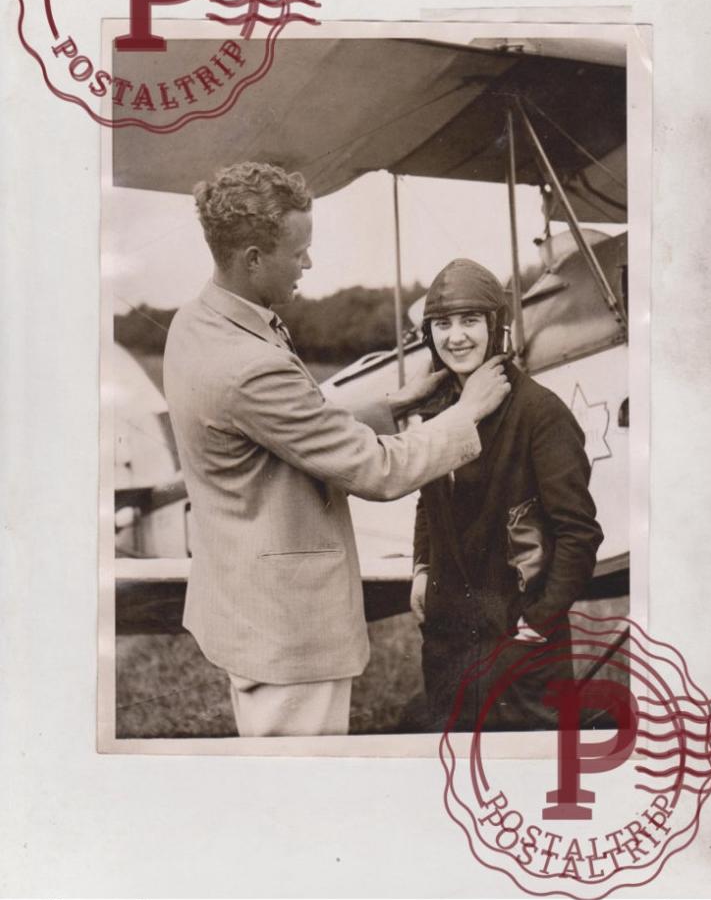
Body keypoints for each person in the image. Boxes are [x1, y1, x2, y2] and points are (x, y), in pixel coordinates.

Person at [163, 163, 510, 738]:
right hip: (287, 627)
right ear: (252, 258)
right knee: (301, 795)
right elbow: (378, 470)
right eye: (299, 251)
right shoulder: (249, 365)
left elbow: (291, 428)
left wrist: (397, 404)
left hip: (245, 603)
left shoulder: (197, 323)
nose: (308, 263)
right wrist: (465, 411)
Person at [409, 258, 603, 732]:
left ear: (497, 326)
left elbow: (579, 533)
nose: (455, 336)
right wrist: (422, 566)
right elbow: (428, 501)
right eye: (442, 323)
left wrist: (538, 621)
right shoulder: (437, 409)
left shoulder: (541, 413)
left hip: (524, 653)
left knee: (529, 782)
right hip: (450, 645)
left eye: (470, 320)